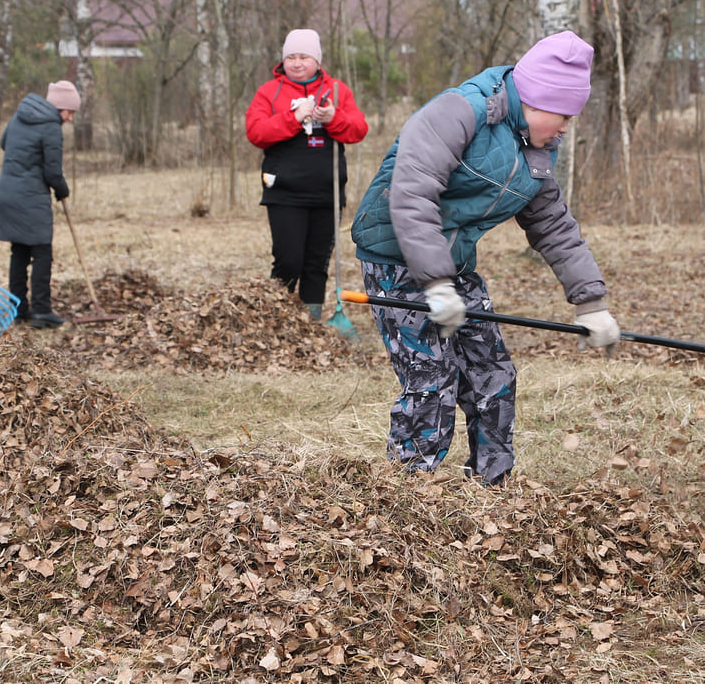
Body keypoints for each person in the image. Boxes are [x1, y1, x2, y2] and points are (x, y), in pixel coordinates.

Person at [349, 30, 620, 486]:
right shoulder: (459, 112)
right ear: (536, 99)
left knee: (493, 373)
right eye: (564, 114)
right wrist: (435, 285)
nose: (567, 128)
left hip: (452, 266)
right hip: (393, 256)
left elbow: (554, 227)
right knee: (431, 376)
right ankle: (407, 492)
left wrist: (591, 303)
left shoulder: (536, 150)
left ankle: (493, 487)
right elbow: (412, 196)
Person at [245, 28, 368, 319]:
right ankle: (279, 319)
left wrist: (333, 117)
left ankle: (310, 322)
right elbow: (256, 132)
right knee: (288, 260)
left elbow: (358, 130)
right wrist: (295, 117)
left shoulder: (337, 90)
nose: (296, 63)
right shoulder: (268, 92)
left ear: (317, 60)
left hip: (327, 192)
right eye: (291, 57)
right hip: (284, 192)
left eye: (304, 57)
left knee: (316, 264)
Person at [0, 80, 79, 329]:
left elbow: (3, 143)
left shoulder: (20, 115)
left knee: (19, 251)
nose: (70, 118)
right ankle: (41, 311)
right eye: (70, 112)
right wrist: (63, 190)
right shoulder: (51, 127)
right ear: (59, 107)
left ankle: (18, 309)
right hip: (31, 196)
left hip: (7, 192)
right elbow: (53, 172)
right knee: (42, 251)